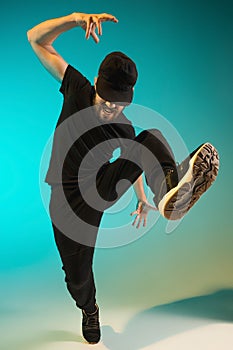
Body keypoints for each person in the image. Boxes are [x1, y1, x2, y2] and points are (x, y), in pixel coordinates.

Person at [27, 12, 219, 344]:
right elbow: (36, 38)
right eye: (106, 100)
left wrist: (145, 199)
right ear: (96, 85)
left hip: (100, 189)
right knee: (77, 278)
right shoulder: (76, 88)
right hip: (66, 199)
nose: (111, 109)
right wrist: (75, 19)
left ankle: (169, 188)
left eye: (119, 104)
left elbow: (134, 160)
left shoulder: (123, 125)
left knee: (149, 138)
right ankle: (89, 309)